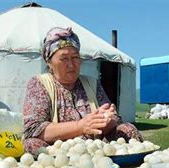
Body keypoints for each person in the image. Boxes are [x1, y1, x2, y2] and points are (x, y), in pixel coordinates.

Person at [22, 27, 142, 155]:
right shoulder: (40, 84)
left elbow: (114, 119)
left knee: (128, 129)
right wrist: (81, 126)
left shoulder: (91, 83)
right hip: (59, 153)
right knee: (31, 144)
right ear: (49, 62)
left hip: (95, 148)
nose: (71, 64)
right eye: (64, 59)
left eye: (75, 57)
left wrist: (106, 120)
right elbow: (33, 130)